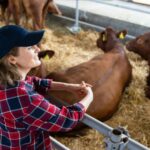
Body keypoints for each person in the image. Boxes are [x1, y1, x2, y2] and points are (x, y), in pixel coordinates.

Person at [0, 25, 93, 150]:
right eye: (29, 47)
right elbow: (67, 119)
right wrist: (89, 96)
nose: (37, 49)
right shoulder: (25, 98)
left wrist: (68, 87)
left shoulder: (7, 82)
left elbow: (33, 81)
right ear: (12, 59)